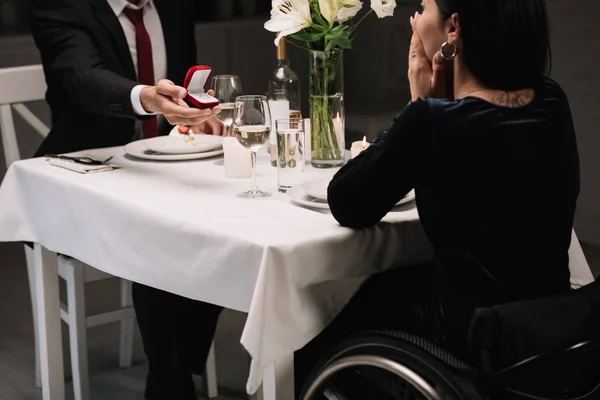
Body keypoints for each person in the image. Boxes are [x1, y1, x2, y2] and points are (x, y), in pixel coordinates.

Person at [294, 0, 579, 394]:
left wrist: (418, 103)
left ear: (453, 27)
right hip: (553, 341)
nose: (415, 18)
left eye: (424, 6)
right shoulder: (552, 101)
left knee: (309, 340)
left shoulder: (432, 121)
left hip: (470, 343)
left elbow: (346, 201)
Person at [30, 1, 225, 398]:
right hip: (85, 171)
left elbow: (185, 90)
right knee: (156, 230)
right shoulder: (62, 7)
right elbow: (84, 78)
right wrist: (147, 98)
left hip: (167, 165)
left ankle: (178, 366)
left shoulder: (174, 7)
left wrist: (196, 115)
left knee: (224, 225)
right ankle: (169, 379)